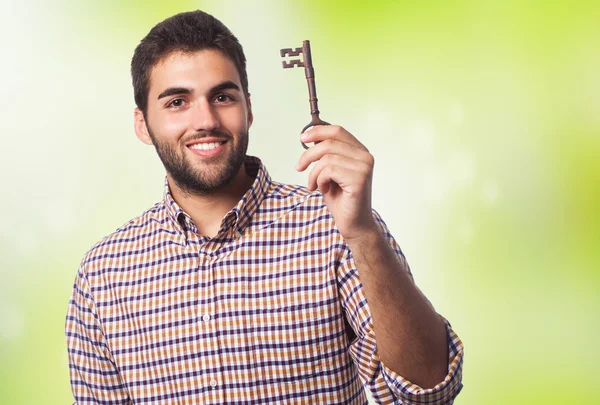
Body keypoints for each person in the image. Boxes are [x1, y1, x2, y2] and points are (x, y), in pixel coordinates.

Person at [65, 10, 463, 405]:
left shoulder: (334, 226)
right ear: (142, 124)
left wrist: (361, 234)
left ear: (248, 109)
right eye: (177, 102)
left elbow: (428, 390)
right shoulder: (103, 276)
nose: (205, 120)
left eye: (222, 97)